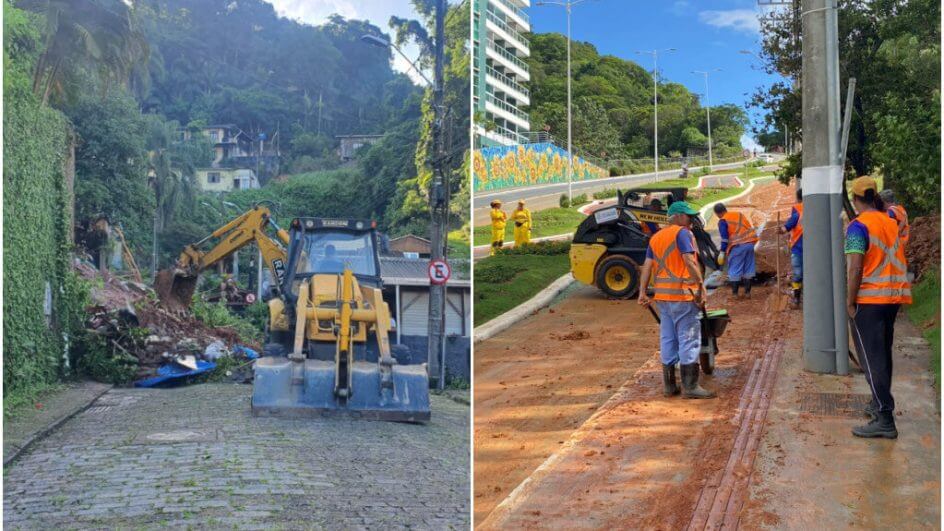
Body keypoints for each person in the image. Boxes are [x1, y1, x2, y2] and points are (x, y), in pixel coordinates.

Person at [845, 176, 911, 439]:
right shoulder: (888, 221)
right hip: (893, 299)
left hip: (870, 301)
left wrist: (850, 301)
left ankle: (884, 418)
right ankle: (878, 403)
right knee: (882, 356)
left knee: (872, 360)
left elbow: (855, 267)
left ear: (855, 199)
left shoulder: (858, 226)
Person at [638, 201, 715, 399]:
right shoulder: (682, 233)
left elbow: (647, 265)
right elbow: (689, 261)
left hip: (663, 298)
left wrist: (642, 292)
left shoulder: (656, 237)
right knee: (689, 337)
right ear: (679, 216)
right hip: (682, 296)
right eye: (688, 216)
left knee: (668, 338)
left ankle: (670, 386)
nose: (691, 220)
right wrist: (700, 285)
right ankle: (690, 386)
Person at [715, 203, 758, 299]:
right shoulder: (739, 214)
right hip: (750, 244)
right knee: (748, 269)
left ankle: (735, 294)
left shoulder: (723, 220)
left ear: (717, 214)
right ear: (725, 209)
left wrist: (722, 252)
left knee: (735, 270)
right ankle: (747, 293)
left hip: (737, 247)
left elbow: (724, 238)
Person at [778, 188, 803, 306]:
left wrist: (781, 230)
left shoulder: (798, 210)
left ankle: (797, 299)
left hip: (798, 247)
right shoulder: (817, 208)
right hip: (814, 248)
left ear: (798, 198)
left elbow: (787, 226)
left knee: (797, 274)